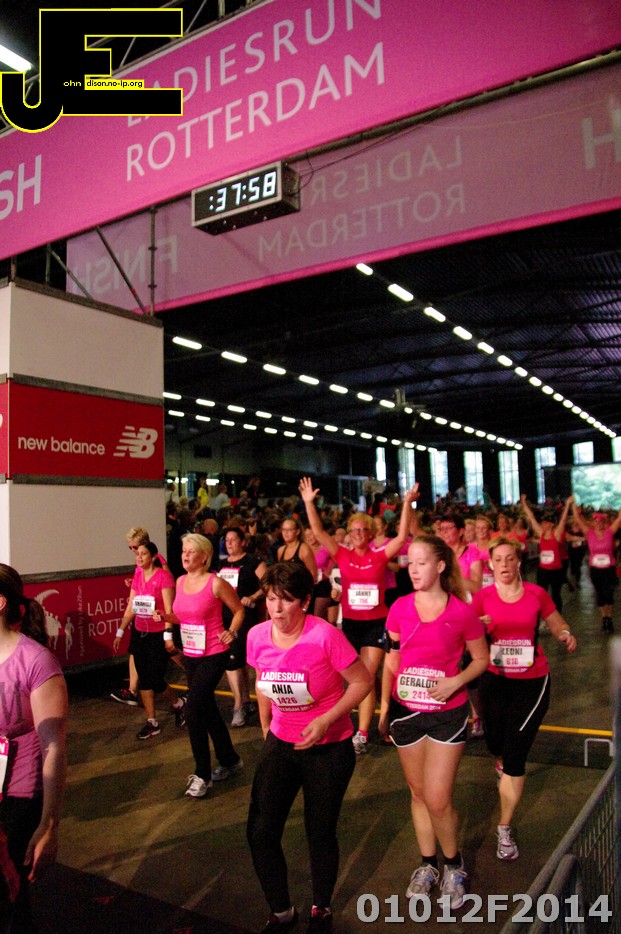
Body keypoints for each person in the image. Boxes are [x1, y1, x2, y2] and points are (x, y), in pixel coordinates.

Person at [246, 562, 372, 933]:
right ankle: (282, 911)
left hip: (329, 748)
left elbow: (362, 682)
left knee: (319, 831)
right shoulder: (256, 635)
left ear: (304, 601)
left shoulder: (325, 636)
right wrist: (266, 725)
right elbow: (262, 680)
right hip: (281, 742)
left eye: (286, 600)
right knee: (260, 830)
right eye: (271, 599)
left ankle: (321, 909)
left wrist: (327, 719)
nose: (277, 609)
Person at [378, 536, 488, 909]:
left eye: (421, 563)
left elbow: (481, 659)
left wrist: (456, 681)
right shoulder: (399, 608)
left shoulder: (461, 612)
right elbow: (392, 660)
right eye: (410, 563)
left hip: (446, 715)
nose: (413, 569)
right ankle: (428, 864)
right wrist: (384, 707)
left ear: (440, 566)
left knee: (438, 798)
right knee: (418, 793)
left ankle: (454, 865)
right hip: (406, 713)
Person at [471, 538, 577, 861]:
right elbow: (465, 634)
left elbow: (555, 620)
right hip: (495, 681)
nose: (504, 565)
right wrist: (477, 627)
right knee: (496, 743)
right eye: (498, 560)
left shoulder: (536, 593)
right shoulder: (482, 598)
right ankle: (502, 759)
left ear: (519, 561)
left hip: (532, 682)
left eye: (510, 558)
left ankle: (504, 828)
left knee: (516, 753)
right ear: (490, 564)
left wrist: (564, 633)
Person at [300, 477, 420, 755]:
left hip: (376, 624)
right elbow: (318, 532)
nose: (357, 534)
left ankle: (362, 732)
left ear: (369, 533)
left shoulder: (379, 556)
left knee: (365, 674)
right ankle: (371, 712)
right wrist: (308, 503)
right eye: (353, 530)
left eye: (362, 530)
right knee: (353, 678)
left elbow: (402, 537)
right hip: (351, 625)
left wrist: (406, 504)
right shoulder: (342, 554)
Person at [0, 565, 68, 932]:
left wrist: (48, 824)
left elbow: (54, 747)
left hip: (18, 793)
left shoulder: (37, 661)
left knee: (9, 894)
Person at [169, 533, 245, 798]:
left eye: (191, 551)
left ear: (204, 556)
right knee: (208, 709)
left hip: (215, 652)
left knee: (193, 710)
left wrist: (232, 632)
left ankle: (202, 774)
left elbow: (239, 610)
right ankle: (230, 759)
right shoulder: (180, 581)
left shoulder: (216, 583)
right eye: (183, 551)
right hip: (191, 653)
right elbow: (183, 616)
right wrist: (164, 617)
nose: (185, 555)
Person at [113, 541, 185, 739]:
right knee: (144, 679)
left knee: (154, 678)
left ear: (153, 557)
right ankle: (152, 721)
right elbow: (131, 607)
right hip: (140, 633)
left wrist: (168, 636)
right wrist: (120, 631)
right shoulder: (138, 576)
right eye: (137, 554)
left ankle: (178, 703)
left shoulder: (163, 577)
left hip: (157, 634)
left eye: (143, 554)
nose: (139, 557)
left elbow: (169, 610)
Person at [217, 527, 268, 726]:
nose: (229, 543)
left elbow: (267, 583)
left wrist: (253, 597)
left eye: (233, 539)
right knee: (236, 661)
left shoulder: (252, 561)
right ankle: (245, 701)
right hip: (224, 616)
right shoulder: (221, 565)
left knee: (234, 660)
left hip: (245, 616)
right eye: (227, 540)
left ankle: (238, 706)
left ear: (242, 542)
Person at [110, 526, 167, 706]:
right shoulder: (139, 565)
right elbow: (139, 585)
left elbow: (166, 585)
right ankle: (133, 691)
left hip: (158, 621)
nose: (134, 552)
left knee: (171, 654)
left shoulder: (159, 562)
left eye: (136, 548)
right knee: (136, 651)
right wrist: (134, 585)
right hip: (142, 619)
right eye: (131, 548)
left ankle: (184, 690)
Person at [571, 500, 621, 632]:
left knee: (609, 593)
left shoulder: (609, 532)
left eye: (600, 521)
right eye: (596, 521)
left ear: (604, 522)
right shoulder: (589, 533)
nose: (598, 523)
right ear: (593, 523)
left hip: (609, 569)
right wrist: (574, 507)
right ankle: (604, 617)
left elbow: (619, 519)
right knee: (600, 594)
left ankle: (608, 617)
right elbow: (578, 519)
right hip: (595, 570)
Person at [520, 494, 572, 613]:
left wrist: (568, 505)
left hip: (556, 570)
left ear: (551, 524)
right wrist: (524, 503)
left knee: (556, 594)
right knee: (541, 592)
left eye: (545, 522)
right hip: (543, 570)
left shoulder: (556, 535)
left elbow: (563, 521)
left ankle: (557, 614)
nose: (543, 524)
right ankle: (542, 612)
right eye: (542, 522)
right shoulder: (541, 534)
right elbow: (531, 517)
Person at [276, 517, 318, 583]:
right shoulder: (280, 550)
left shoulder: (304, 549)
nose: (286, 533)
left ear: (297, 531)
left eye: (289, 530)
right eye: (283, 529)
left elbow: (313, 575)